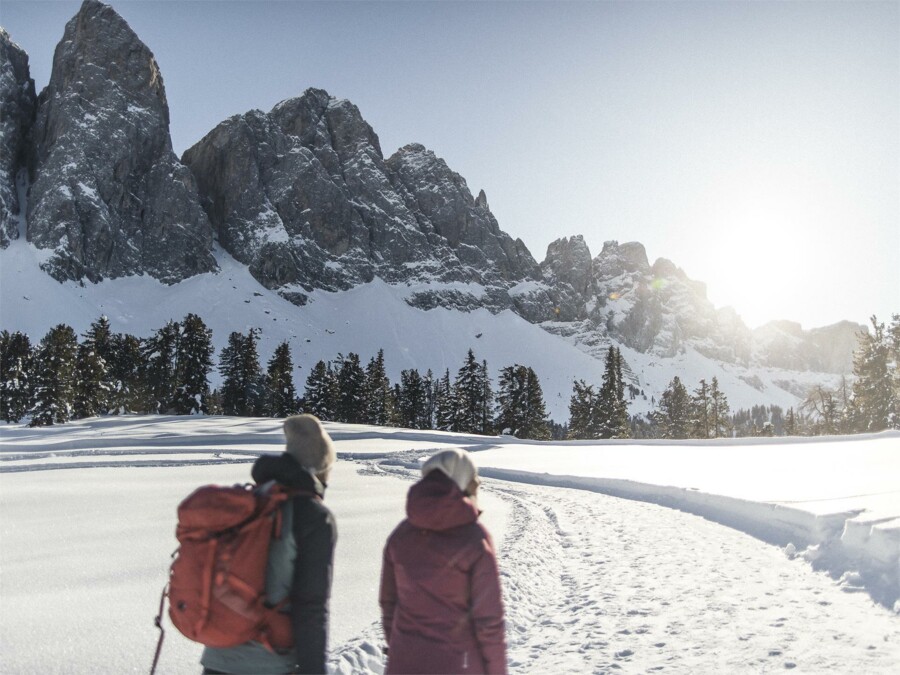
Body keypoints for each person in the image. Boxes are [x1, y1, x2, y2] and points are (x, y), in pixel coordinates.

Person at [200, 414, 338, 675]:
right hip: (270, 662)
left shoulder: (250, 501)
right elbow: (310, 606)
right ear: (321, 470)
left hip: (217, 657)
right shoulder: (314, 517)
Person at [379, 448, 507, 674]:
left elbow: (389, 603)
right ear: (463, 483)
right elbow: (489, 622)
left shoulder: (400, 535)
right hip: (460, 665)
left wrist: (403, 646)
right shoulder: (475, 538)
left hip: (404, 663)